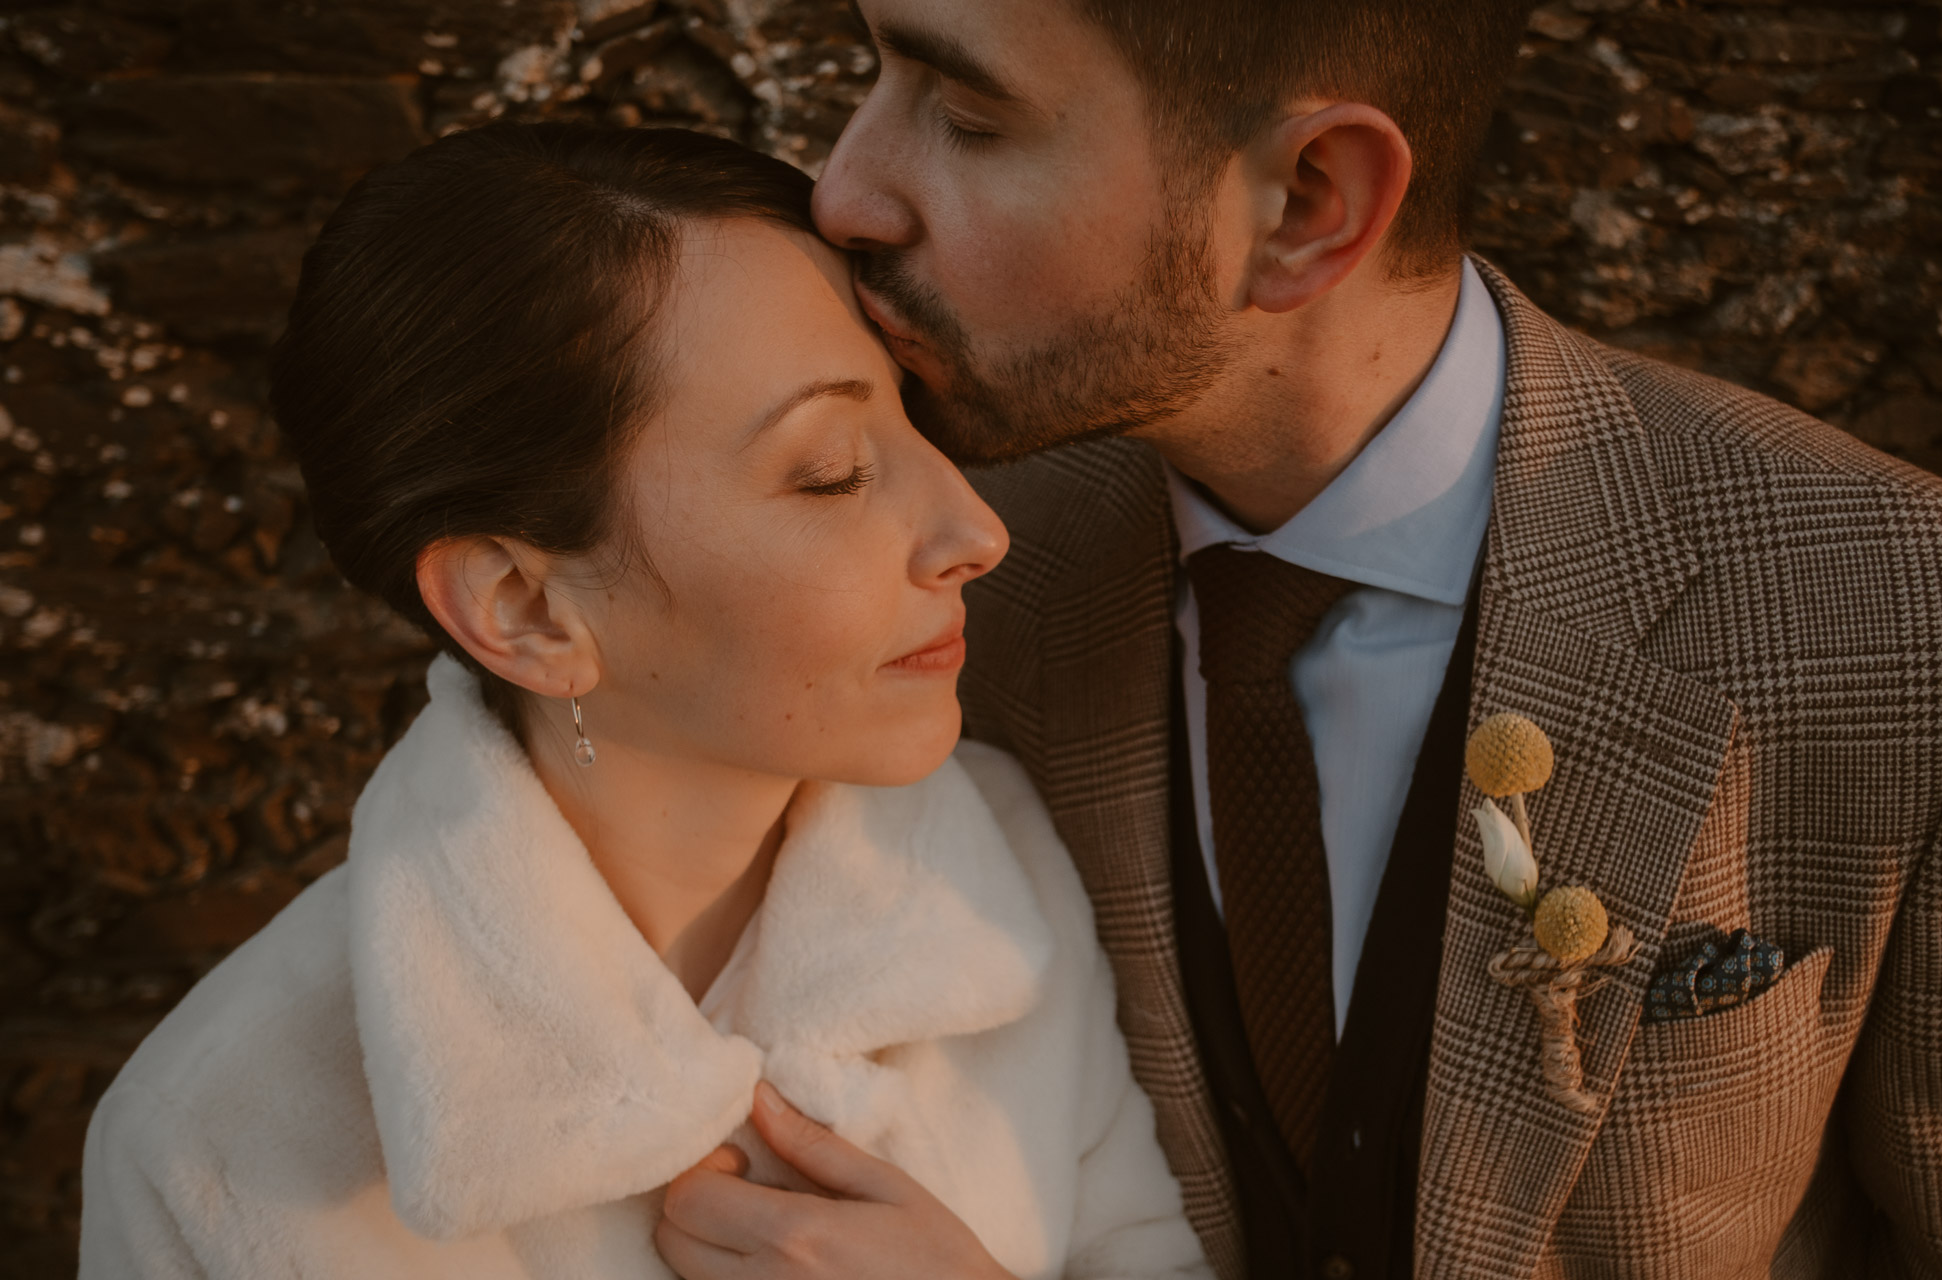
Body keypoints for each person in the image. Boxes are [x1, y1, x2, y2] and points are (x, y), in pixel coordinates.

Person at [653, 0, 1942, 1276]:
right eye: (865, 71)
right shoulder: (930, 580)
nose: (842, 190)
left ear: (1310, 204)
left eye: (969, 119)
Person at [76, 121, 1212, 1280]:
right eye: (830, 471)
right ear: (523, 608)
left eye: (920, 422)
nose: (977, 531)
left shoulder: (1003, 881)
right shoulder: (221, 1147)